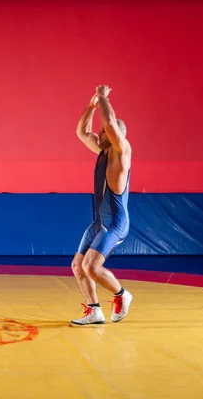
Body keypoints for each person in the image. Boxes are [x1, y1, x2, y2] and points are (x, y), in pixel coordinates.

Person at [70, 85, 133, 325]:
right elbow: (82, 132)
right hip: (100, 223)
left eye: (104, 131)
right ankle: (94, 310)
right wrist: (91, 105)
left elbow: (110, 122)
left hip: (116, 223)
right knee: (78, 266)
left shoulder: (122, 151)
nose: (99, 133)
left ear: (115, 133)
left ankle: (121, 294)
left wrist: (103, 97)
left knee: (91, 267)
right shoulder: (103, 151)